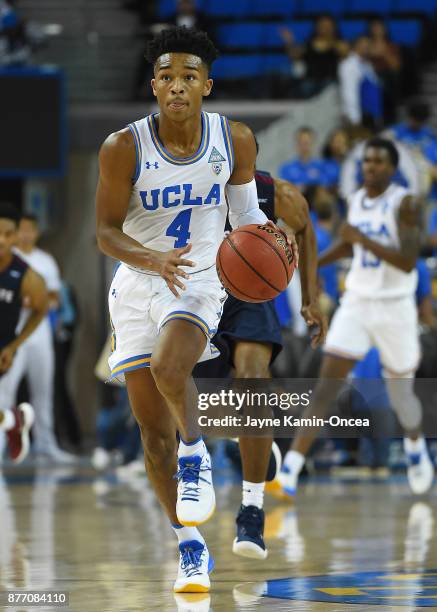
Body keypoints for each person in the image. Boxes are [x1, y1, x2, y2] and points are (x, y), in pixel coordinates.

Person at [95, 26, 285, 593]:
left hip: (199, 279)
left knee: (169, 369)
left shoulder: (236, 139)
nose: (177, 87)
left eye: (189, 77)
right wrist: (150, 259)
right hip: (136, 282)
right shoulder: (122, 146)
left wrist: (272, 242)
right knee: (153, 438)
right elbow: (105, 232)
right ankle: (190, 546)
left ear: (208, 85)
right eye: (167, 77)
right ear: (154, 85)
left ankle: (196, 452)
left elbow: (247, 218)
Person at [273, 138, 435, 499]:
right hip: (358, 302)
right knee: (326, 385)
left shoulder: (404, 204)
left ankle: (414, 444)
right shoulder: (357, 200)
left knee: (401, 394)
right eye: (365, 162)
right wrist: (313, 262)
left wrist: (361, 237)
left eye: (377, 162)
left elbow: (408, 259)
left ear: (392, 169)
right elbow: (348, 244)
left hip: (395, 307)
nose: (369, 168)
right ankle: (290, 469)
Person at [194, 165, 325, 560]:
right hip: (195, 291)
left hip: (250, 293)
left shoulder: (269, 190)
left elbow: (304, 227)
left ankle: (252, 508)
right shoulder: (177, 182)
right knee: (194, 406)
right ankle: (254, 442)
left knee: (253, 382)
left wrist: (310, 297)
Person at [4, 214, 74, 463]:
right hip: (12, 333)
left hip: (40, 333)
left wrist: (39, 301)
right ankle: (3, 443)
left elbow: (54, 297)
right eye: (19, 230)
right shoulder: (7, 260)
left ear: (36, 233)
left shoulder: (46, 261)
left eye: (28, 230)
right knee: (5, 390)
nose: (24, 235)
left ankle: (46, 444)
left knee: (43, 389)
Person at [0, 203, 48, 463]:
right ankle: (12, 420)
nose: (1, 240)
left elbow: (40, 310)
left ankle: (11, 420)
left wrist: (14, 345)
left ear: (16, 236)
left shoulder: (26, 275)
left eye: (7, 234)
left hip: (4, 348)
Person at [280, 15, 348, 97]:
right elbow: (295, 56)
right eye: (322, 26)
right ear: (316, 27)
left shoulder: (339, 43)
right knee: (305, 87)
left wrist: (331, 40)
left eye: (328, 26)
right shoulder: (309, 44)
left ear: (333, 28)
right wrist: (289, 42)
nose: (325, 29)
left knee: (329, 87)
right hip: (310, 80)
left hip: (330, 80)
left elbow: (345, 52)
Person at [338, 36, 382, 129]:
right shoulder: (349, 65)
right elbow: (349, 92)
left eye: (368, 45)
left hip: (372, 115)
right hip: (359, 116)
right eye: (362, 45)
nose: (366, 47)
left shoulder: (367, 65)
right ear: (355, 46)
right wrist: (355, 118)